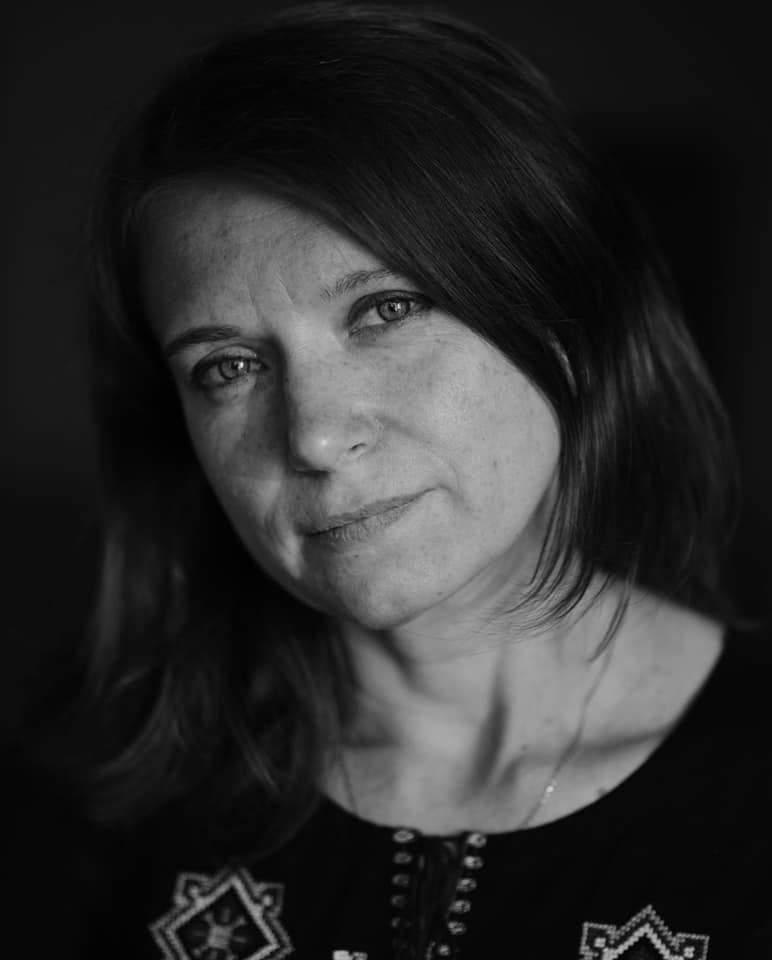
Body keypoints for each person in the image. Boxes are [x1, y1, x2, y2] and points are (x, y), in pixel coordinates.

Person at [63, 1, 769, 957]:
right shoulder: (95, 803)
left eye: (386, 310)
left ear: (566, 312)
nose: (315, 435)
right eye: (228, 367)